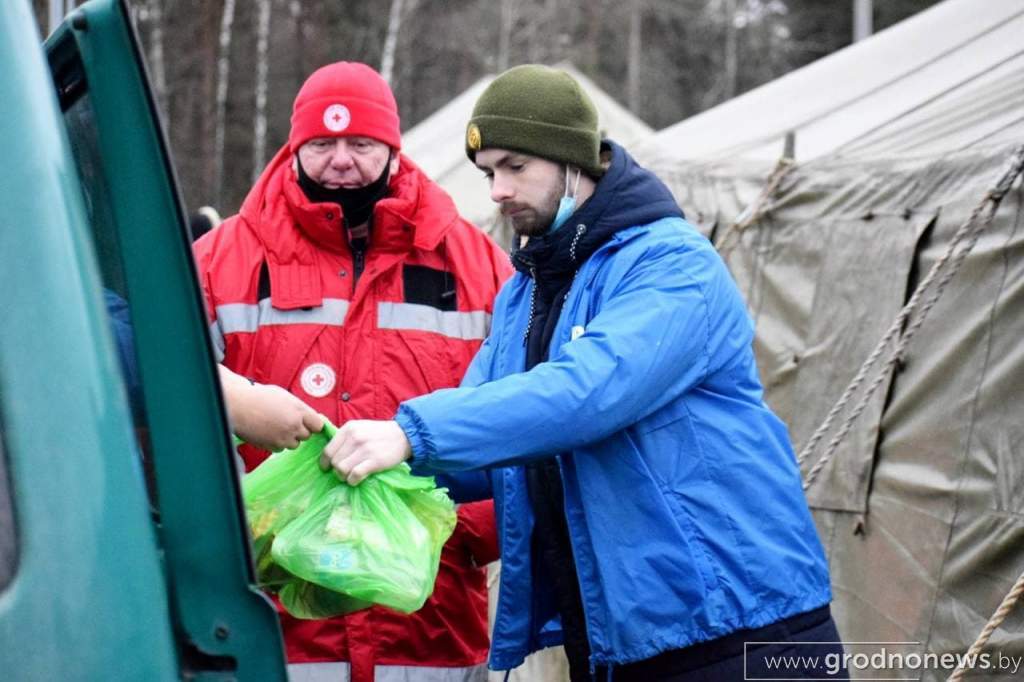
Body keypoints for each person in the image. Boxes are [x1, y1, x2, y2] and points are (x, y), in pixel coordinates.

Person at [321, 65, 847, 681]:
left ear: (575, 160)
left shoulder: (672, 265)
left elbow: (586, 392)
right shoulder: (526, 292)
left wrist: (411, 431)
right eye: (489, 172)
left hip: (744, 627)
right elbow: (488, 442)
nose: (497, 190)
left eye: (516, 166)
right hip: (614, 638)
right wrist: (354, 465)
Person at [193, 62, 512, 682]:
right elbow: (166, 415)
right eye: (322, 144)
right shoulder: (220, 262)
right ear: (294, 148)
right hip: (273, 625)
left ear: (393, 151)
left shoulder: (477, 267)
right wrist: (236, 536)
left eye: (361, 145)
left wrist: (462, 536)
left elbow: (521, 418)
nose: (342, 161)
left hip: (428, 627)